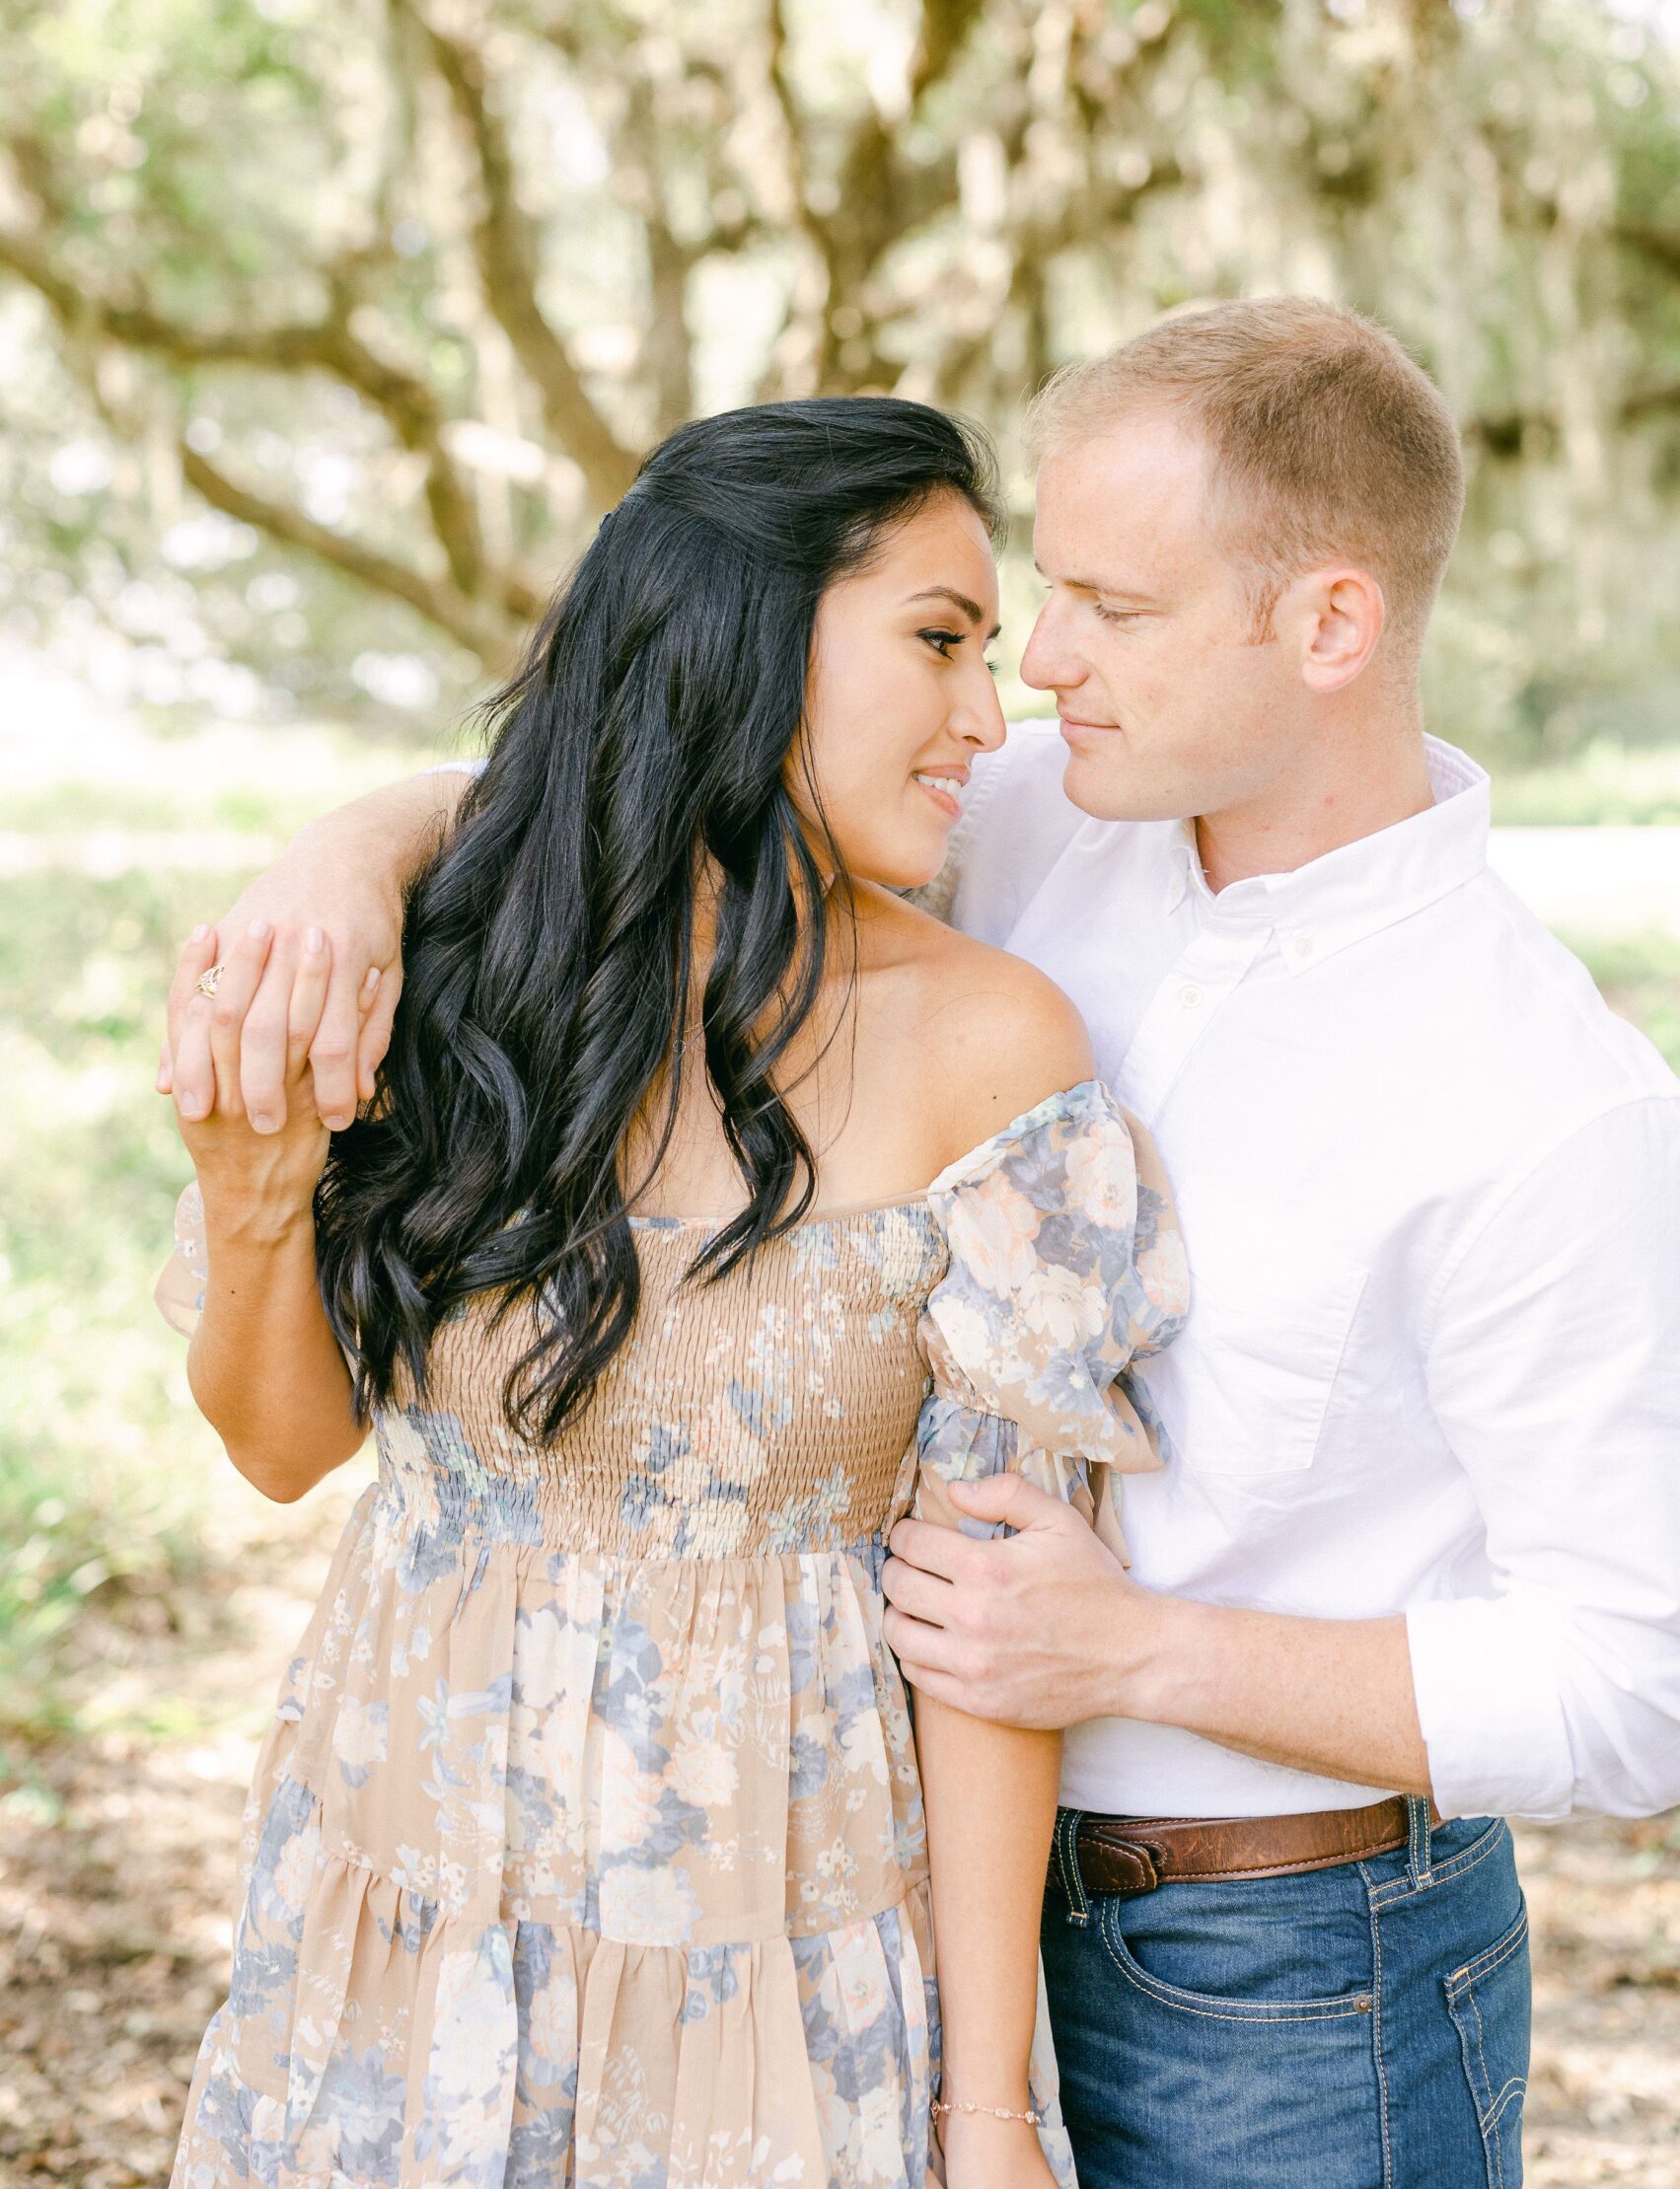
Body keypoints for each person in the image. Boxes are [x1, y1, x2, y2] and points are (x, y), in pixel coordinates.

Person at [165, 298, 1680, 2189]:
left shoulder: (1541, 1102)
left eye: (1109, 613)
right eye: (1011, 612)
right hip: (853, 1871)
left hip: (1275, 1960)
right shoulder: (1040, 818)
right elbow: (652, 798)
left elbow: (1640, 1683)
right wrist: (348, 852)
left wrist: (1134, 1651)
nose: (1037, 671)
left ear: (1329, 626)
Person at [153, 396, 1188, 2189]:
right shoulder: (447, 968)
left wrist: (987, 2111)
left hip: (774, 1965)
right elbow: (277, 1449)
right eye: (938, 641)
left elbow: (993, 1627)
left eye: (989, 656)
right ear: (738, 628)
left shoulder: (990, 1045)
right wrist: (255, 1214)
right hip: (408, 1904)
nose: (985, 719)